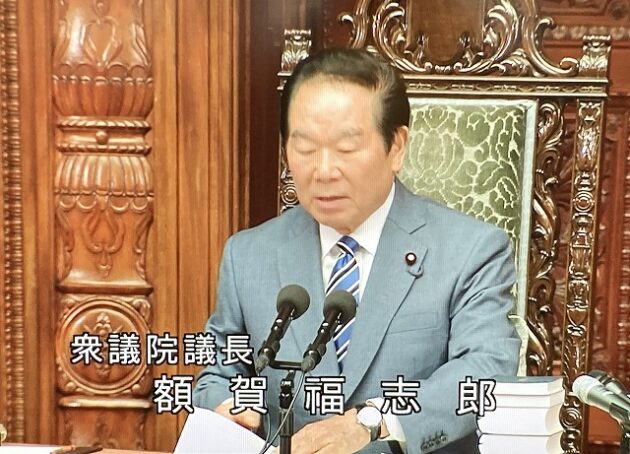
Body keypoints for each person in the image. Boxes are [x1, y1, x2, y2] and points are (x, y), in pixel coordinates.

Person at [192, 48, 521, 454]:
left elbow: (486, 370)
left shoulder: (470, 250)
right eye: (305, 148)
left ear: (396, 146)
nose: (323, 171)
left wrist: (372, 421)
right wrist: (225, 405)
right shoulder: (249, 256)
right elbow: (218, 374)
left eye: (346, 148)